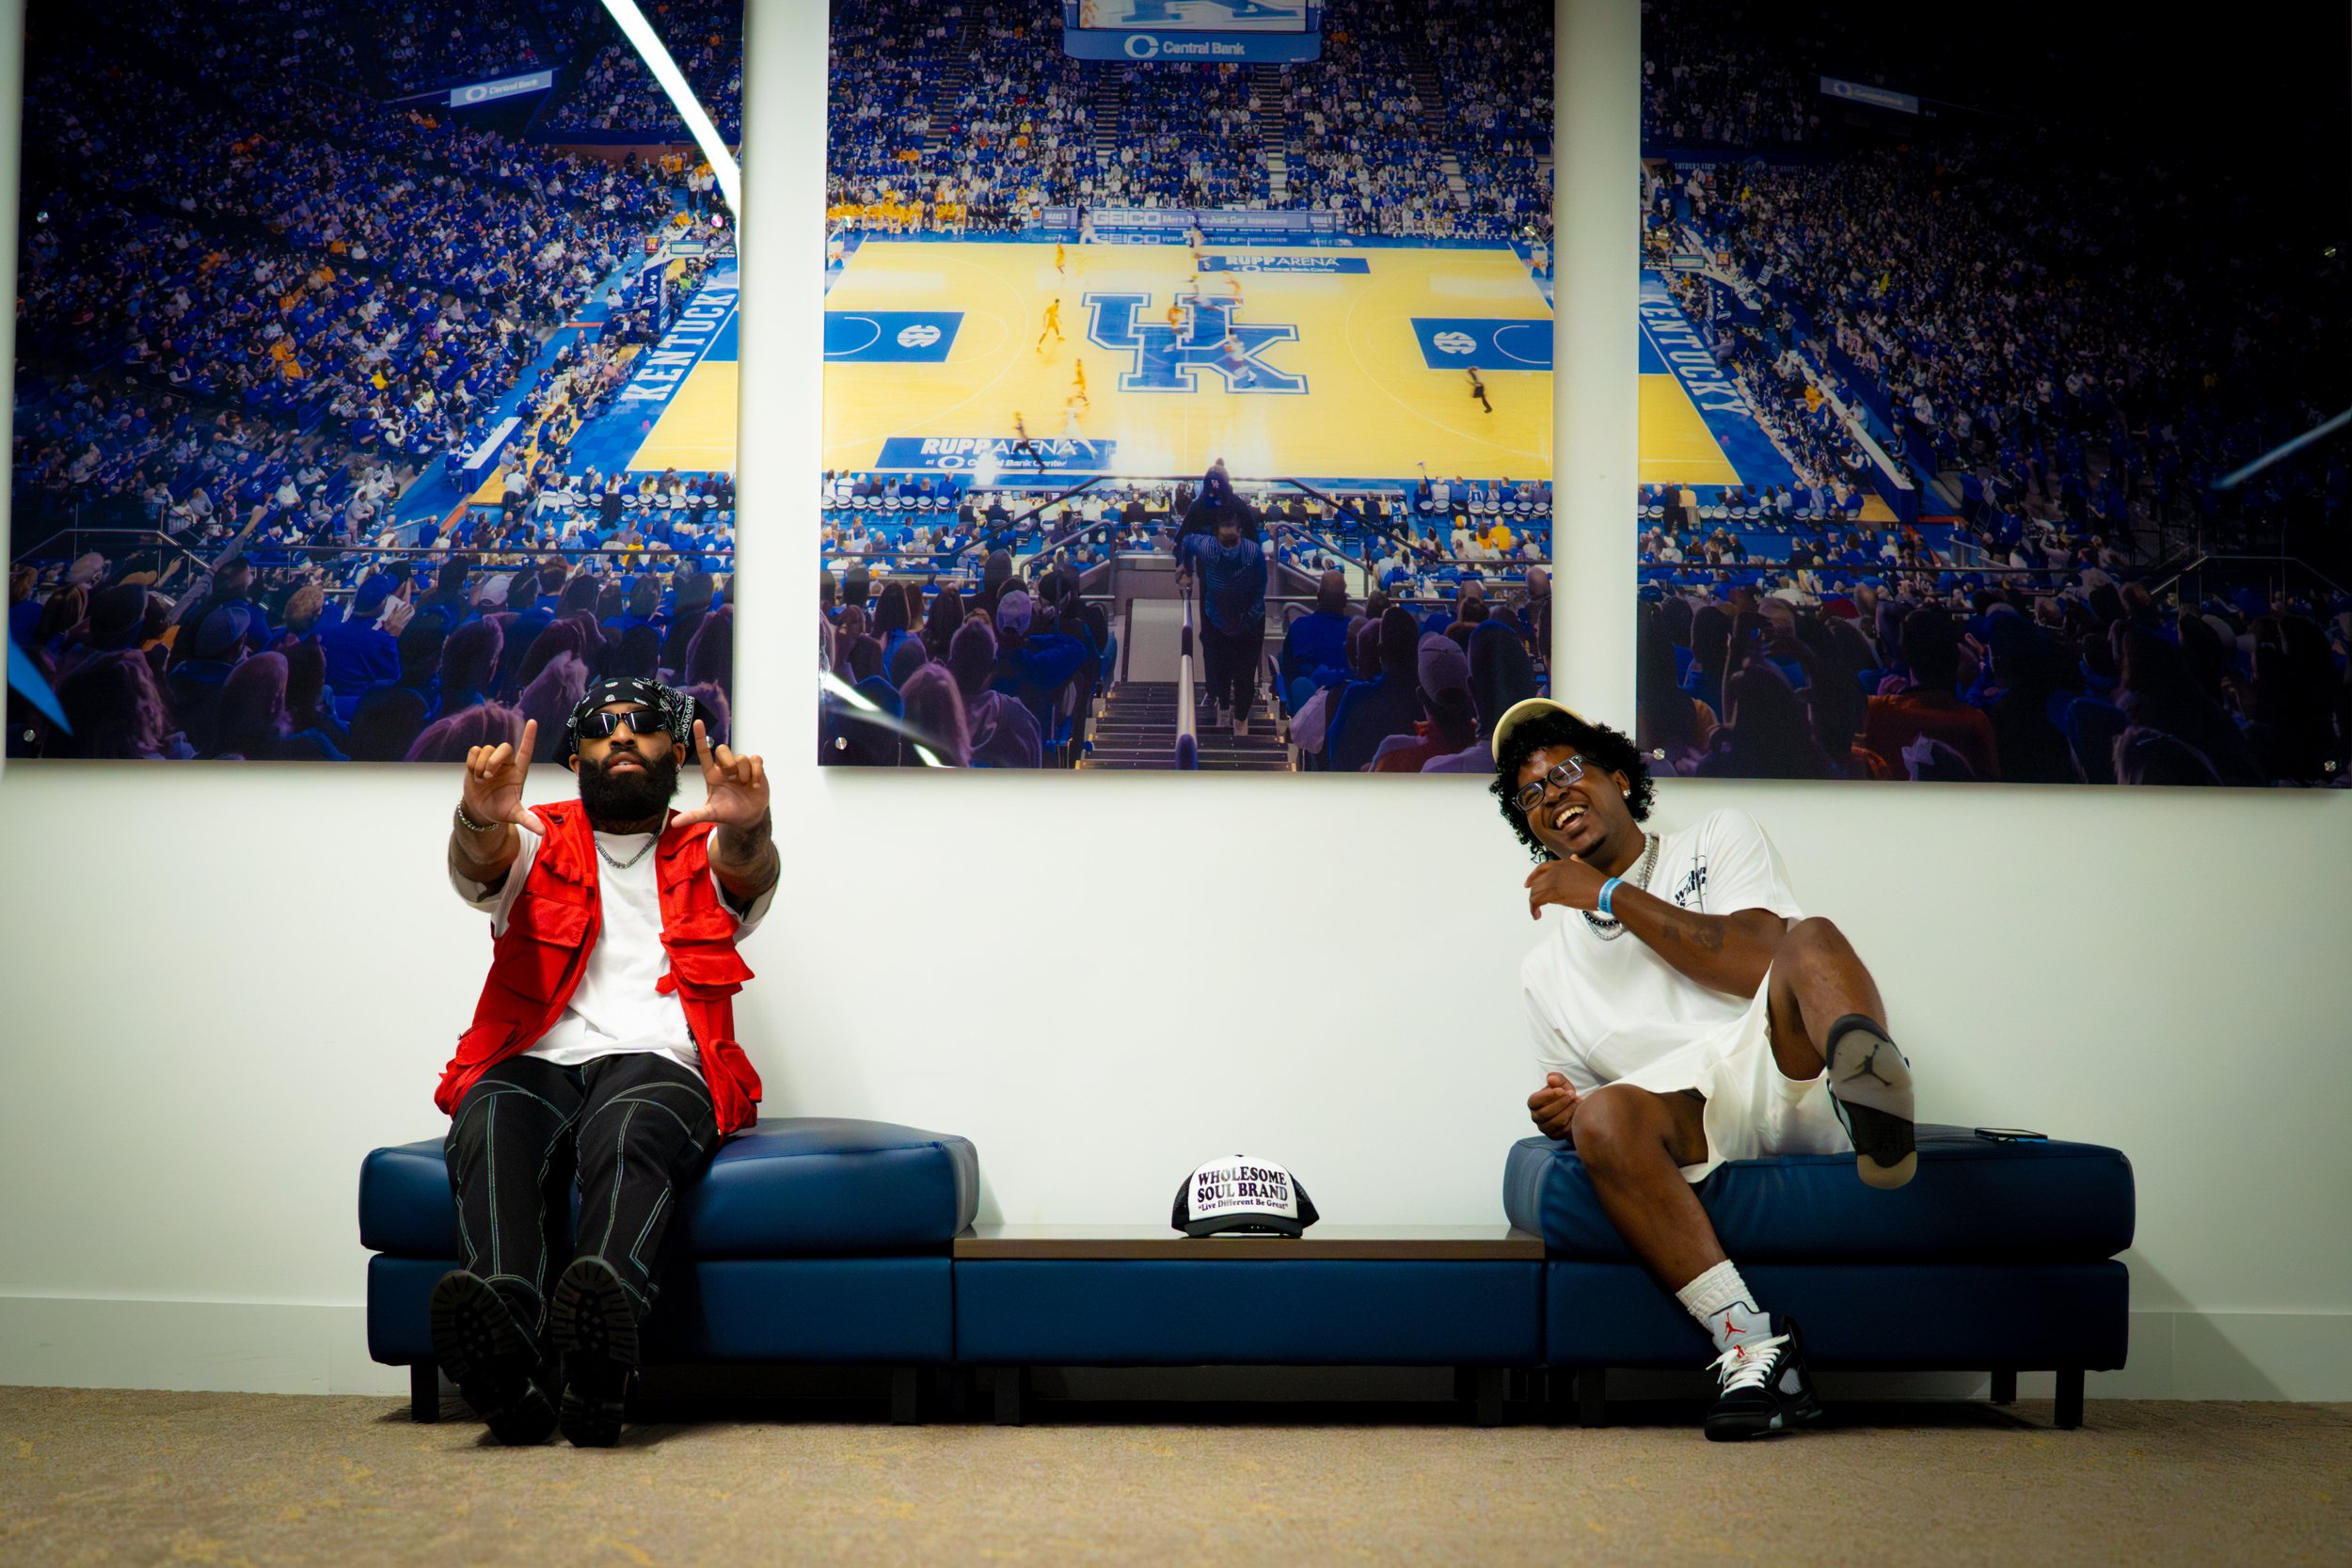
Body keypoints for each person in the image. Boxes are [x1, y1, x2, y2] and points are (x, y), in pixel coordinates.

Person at [1493, 697, 1917, 1441]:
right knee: (1602, 1114)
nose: (1552, 793)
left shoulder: (1718, 837)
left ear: (1620, 778)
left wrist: (1608, 892)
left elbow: (1756, 961)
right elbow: (1590, 1103)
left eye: (1565, 770)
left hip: (1785, 1066)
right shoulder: (1544, 968)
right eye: (1530, 792)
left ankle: (1877, 1100)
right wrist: (1566, 1110)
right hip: (1685, 1121)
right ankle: (1751, 1345)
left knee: (1809, 936)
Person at [435, 676, 778, 1447]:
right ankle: (509, 1353)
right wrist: (475, 819)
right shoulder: (531, 835)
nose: (622, 736)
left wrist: (752, 828)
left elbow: (750, 873)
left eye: (643, 724)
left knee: (628, 1129)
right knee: (488, 1114)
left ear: (674, 749)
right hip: (541, 1056)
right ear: (577, 752)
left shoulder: (709, 842)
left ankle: (599, 1363)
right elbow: (478, 861)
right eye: (602, 726)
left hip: (661, 1057)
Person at [1176, 502, 1268, 735]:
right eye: (1224, 541)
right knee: (1221, 671)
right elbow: (1186, 541)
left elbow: (1260, 590)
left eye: (1233, 541)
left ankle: (1241, 720)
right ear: (1215, 536)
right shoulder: (1206, 547)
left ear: (1241, 534)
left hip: (1250, 622)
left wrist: (1244, 619)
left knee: (1245, 675)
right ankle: (1224, 709)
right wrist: (1187, 568)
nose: (1228, 547)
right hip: (1217, 621)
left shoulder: (1252, 554)